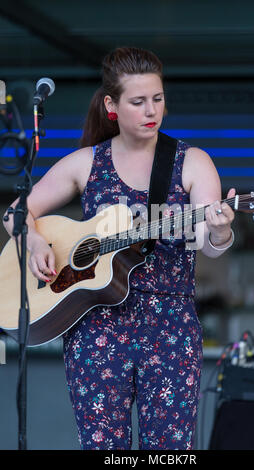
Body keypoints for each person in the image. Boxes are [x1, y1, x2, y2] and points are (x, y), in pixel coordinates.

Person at [3, 46, 235, 450]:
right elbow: (16, 213)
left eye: (158, 99)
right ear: (111, 104)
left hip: (171, 328)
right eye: (138, 101)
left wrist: (220, 231)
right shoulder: (86, 163)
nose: (151, 111)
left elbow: (208, 246)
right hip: (96, 329)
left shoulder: (191, 162)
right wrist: (35, 237)